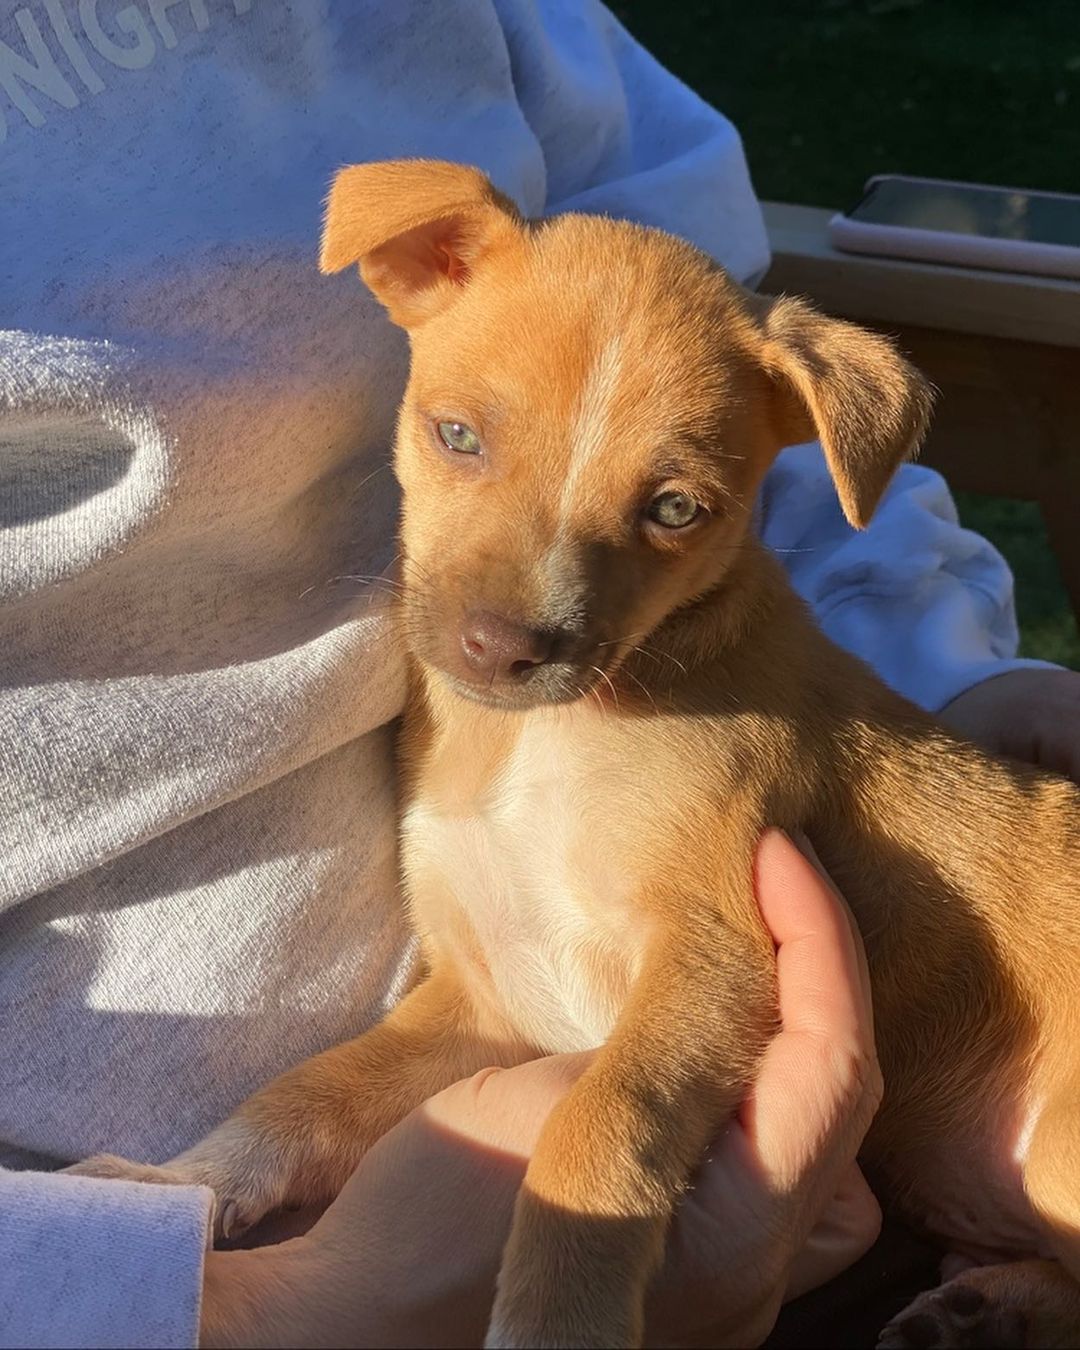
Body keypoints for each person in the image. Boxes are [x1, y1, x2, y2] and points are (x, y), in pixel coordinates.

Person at [0, 2, 1076, 1346]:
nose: (526, 614)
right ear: (412, 263)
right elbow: (482, 1013)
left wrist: (941, 658)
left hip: (965, 1097)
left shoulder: (686, 706)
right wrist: (213, 1230)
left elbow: (703, 975)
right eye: (463, 437)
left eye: (667, 511)